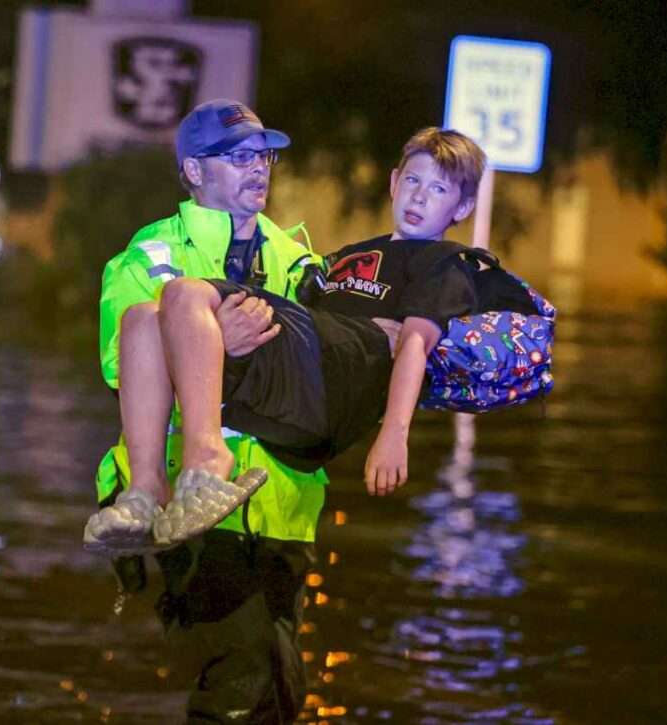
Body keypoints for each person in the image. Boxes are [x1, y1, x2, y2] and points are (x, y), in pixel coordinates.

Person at [87, 127, 487, 554]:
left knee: (183, 294)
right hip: (286, 380)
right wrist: (221, 338)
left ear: (462, 206)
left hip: (314, 397)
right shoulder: (345, 257)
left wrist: (393, 434)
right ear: (393, 183)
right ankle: (147, 493)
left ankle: (206, 459)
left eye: (439, 188)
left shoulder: (442, 267)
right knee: (143, 317)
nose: (420, 197)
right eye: (413, 181)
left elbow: (412, 348)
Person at [92, 99, 328, 724]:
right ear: (194, 171)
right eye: (239, 157)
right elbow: (123, 363)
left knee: (280, 685)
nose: (259, 169)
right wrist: (218, 341)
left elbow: (323, 368)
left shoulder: (298, 261)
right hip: (189, 508)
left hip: (283, 506)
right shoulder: (151, 255)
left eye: (264, 155)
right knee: (239, 680)